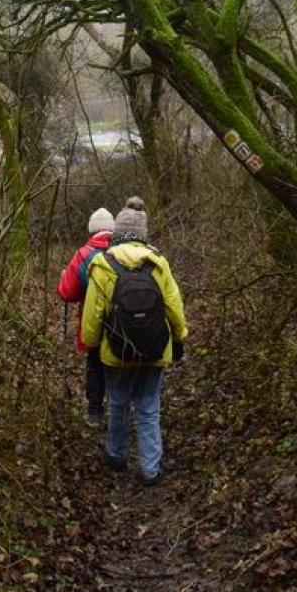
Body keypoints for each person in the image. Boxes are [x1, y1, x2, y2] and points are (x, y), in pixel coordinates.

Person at [81, 197, 187, 485]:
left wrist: (91, 343)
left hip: (117, 350)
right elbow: (173, 306)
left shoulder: (103, 264)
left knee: (117, 403)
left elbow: (93, 313)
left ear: (117, 232)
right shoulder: (158, 262)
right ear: (143, 232)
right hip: (155, 348)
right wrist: (180, 337)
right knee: (148, 408)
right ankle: (150, 469)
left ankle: (116, 456)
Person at [57, 207, 115, 426]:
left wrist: (65, 277)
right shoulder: (127, 250)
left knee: (95, 364)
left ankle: (95, 412)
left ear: (92, 230)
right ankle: (120, 412)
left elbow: (67, 292)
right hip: (125, 322)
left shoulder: (84, 254)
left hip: (94, 323)